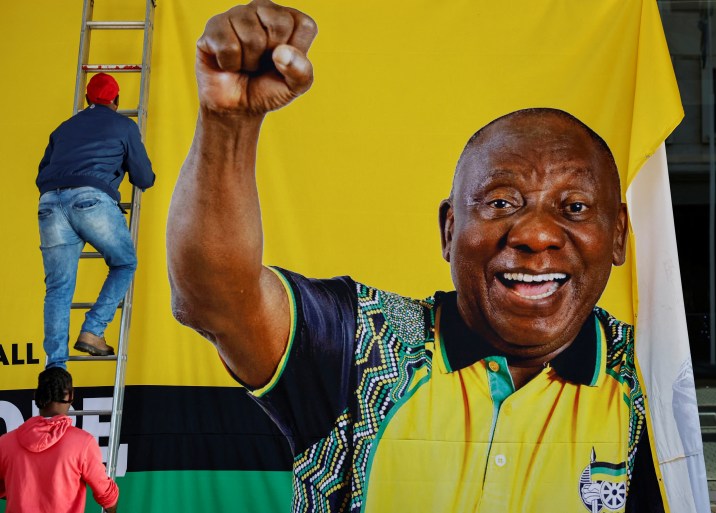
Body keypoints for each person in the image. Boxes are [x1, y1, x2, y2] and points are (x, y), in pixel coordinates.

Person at [166, 2, 664, 511]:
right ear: (450, 229)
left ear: (618, 234)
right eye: (500, 203)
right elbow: (216, 300)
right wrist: (228, 123)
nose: (536, 235)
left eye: (574, 207)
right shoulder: (361, 347)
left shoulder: (650, 384)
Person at [37, 72, 155, 369]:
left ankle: (56, 370)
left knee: (58, 289)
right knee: (124, 263)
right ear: (116, 101)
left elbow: (41, 174)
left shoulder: (63, 128)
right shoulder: (124, 125)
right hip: (91, 200)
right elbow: (144, 178)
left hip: (49, 204)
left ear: (88, 99)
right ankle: (93, 330)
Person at [0, 368, 119, 513]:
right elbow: (107, 495)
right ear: (70, 395)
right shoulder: (83, 443)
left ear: (36, 396)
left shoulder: (5, 443)